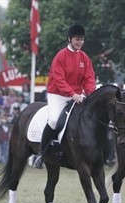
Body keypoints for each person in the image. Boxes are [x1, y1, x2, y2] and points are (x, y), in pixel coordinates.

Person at [33, 23, 96, 169]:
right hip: (58, 94)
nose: (80, 42)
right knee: (54, 120)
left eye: (82, 39)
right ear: (69, 39)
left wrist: (90, 93)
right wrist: (73, 94)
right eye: (77, 39)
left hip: (77, 95)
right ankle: (42, 154)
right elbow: (59, 79)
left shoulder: (84, 58)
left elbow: (89, 78)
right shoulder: (60, 56)